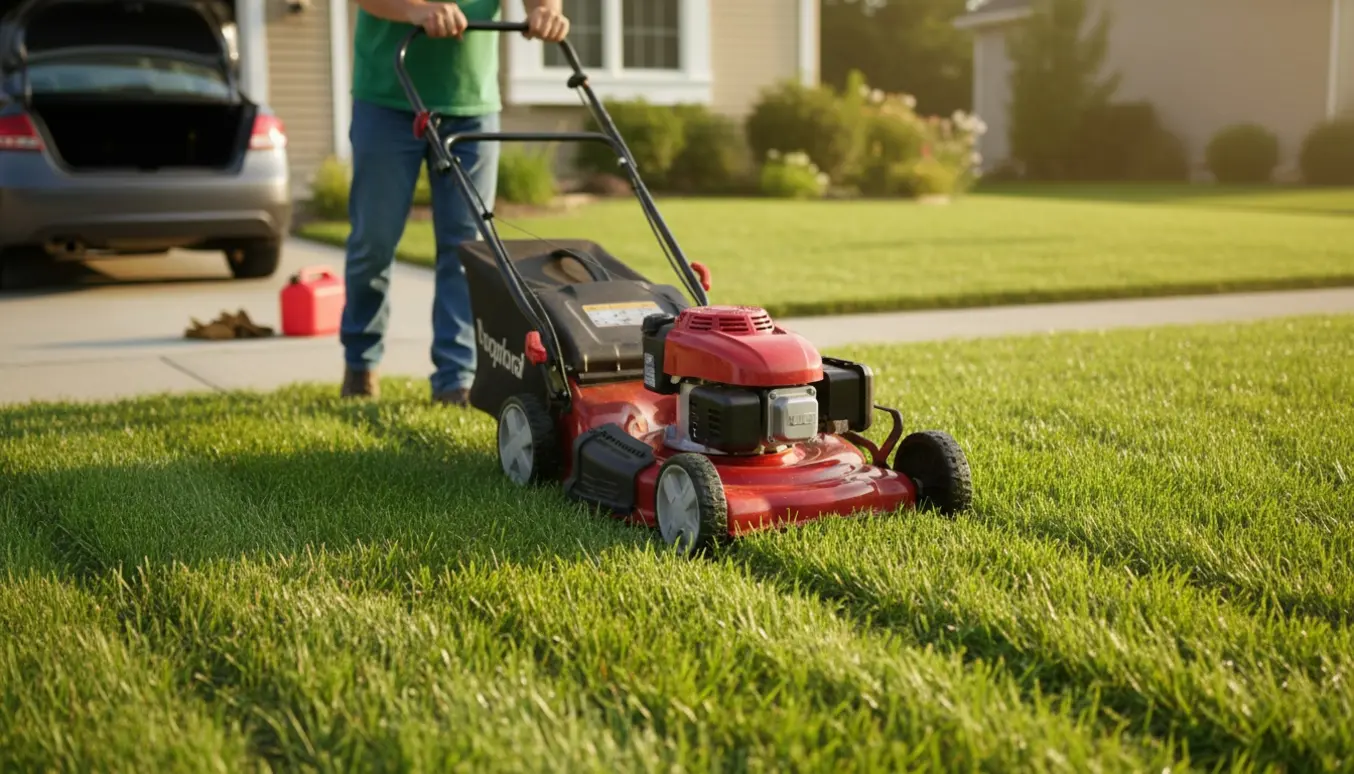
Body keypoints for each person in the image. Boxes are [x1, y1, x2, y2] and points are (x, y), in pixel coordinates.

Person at [340, 0, 569, 404]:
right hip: (387, 95)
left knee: (466, 249)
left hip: (471, 104)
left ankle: (455, 378)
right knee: (372, 242)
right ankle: (361, 361)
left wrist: (545, 10)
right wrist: (416, 9)